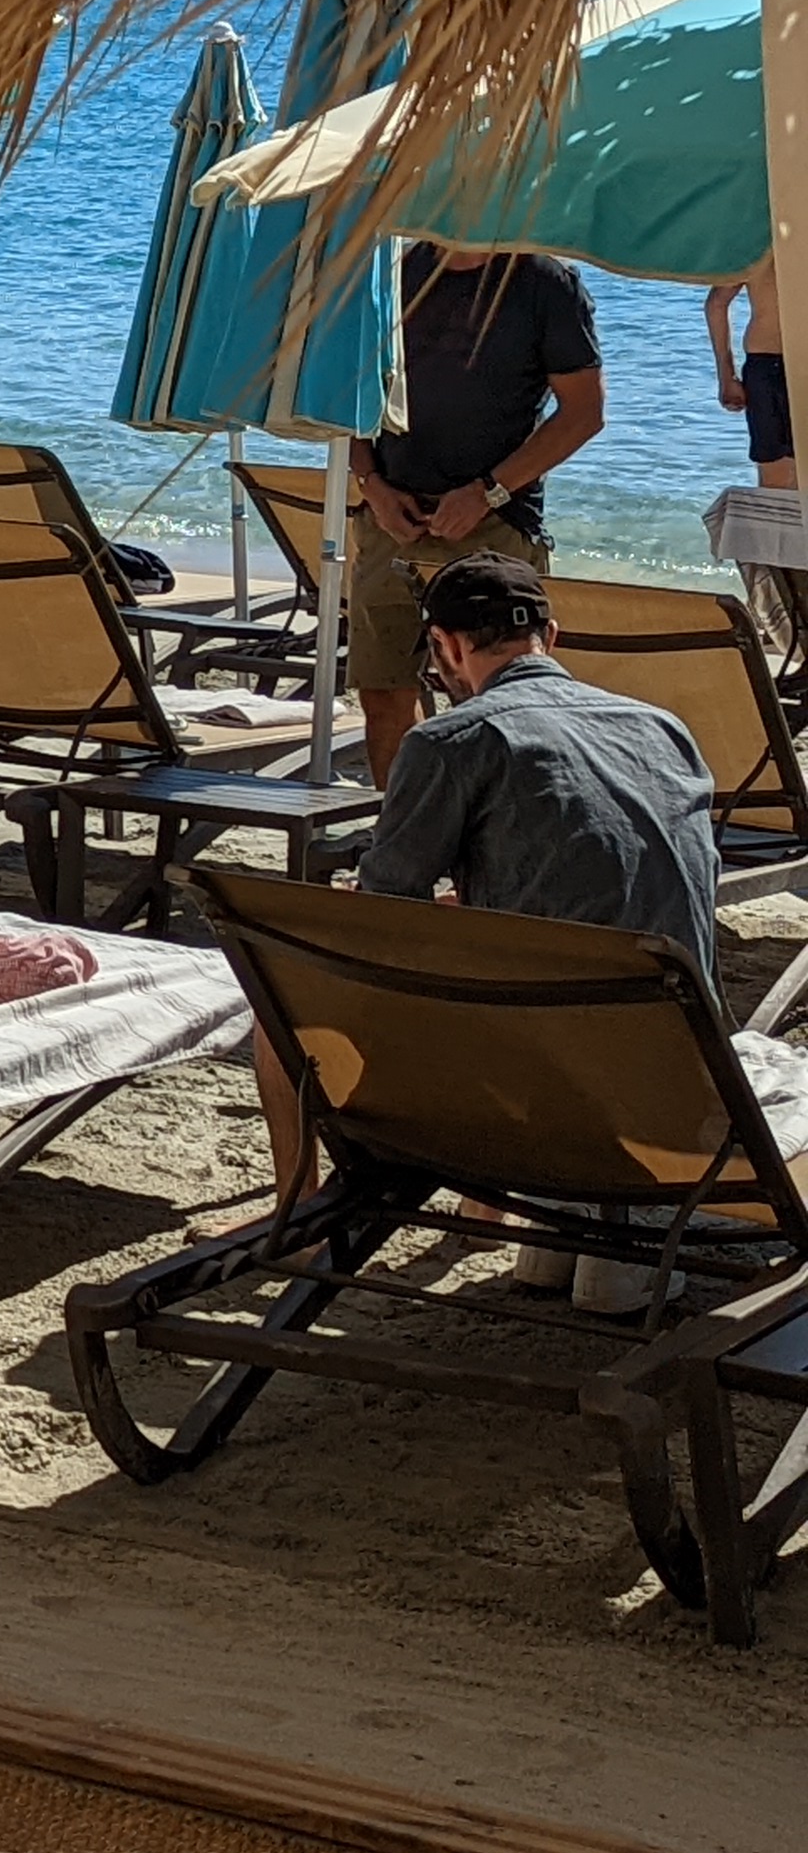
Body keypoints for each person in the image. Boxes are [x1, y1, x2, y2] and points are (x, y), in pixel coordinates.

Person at [250, 554, 719, 1307]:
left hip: (533, 1078)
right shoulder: (664, 727)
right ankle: (513, 1224)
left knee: (277, 1004)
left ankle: (300, 1219)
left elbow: (383, 915)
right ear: (552, 636)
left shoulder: (454, 740)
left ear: (444, 647)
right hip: (682, 1067)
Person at [347, 243, 604, 784]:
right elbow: (349, 394)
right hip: (391, 517)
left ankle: (492, 825)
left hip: (496, 523)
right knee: (383, 695)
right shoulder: (392, 271)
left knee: (502, 700)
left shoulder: (544, 281)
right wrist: (372, 485)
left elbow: (584, 413)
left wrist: (488, 492)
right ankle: (404, 824)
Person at [710, 259, 790, 492]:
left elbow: (716, 304)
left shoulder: (759, 244)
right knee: (777, 485)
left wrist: (727, 376)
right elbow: (716, 305)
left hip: (767, 364)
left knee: (775, 487)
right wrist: (726, 376)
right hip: (769, 367)